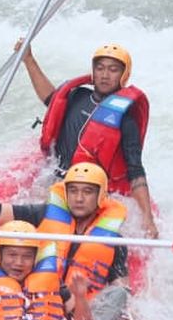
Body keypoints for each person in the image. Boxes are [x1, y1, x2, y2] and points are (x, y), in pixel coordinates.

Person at [0, 147, 133, 320]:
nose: (79, 198)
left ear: (100, 196)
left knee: (120, 294)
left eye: (87, 192)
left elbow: (120, 287)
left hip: (82, 312)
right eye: (73, 191)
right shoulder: (42, 215)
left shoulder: (114, 241)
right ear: (65, 193)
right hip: (42, 302)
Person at [20, 41, 159, 240]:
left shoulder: (126, 120)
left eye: (113, 70)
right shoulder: (77, 96)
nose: (105, 75)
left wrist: (148, 217)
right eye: (100, 68)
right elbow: (51, 99)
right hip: (56, 177)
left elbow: (135, 170)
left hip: (89, 191)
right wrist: (28, 59)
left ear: (124, 75)